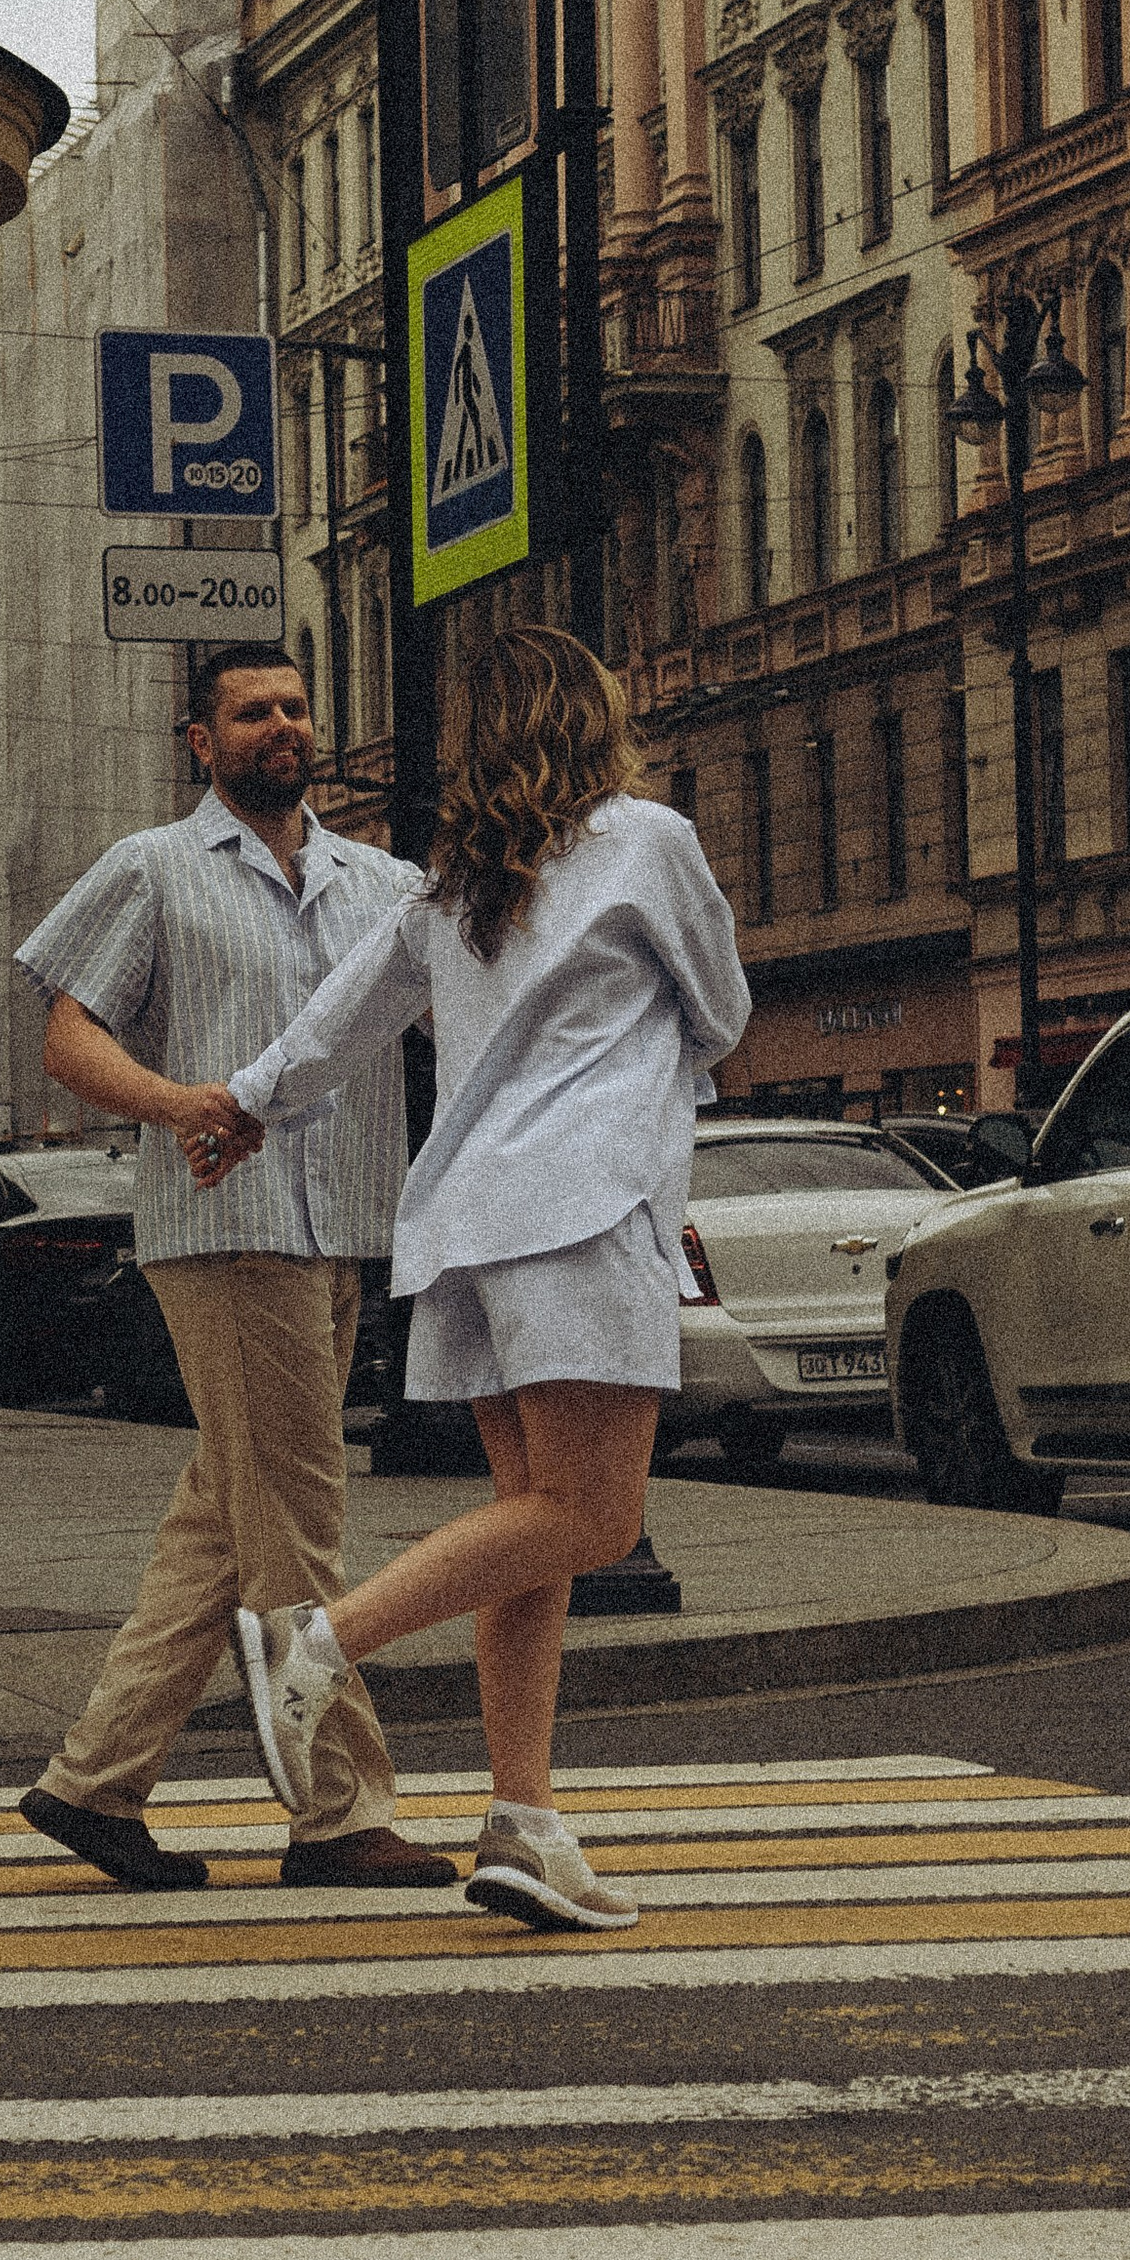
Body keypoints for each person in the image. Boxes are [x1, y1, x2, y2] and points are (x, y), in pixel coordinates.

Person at [195, 623, 751, 1932]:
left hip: (462, 1223)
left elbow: (331, 1030)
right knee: (595, 1521)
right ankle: (314, 1647)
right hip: (583, 1208)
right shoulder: (647, 842)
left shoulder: (446, 886)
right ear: (593, 716)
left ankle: (522, 1824)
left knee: (533, 1534)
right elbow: (723, 1013)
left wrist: (239, 1107)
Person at [10, 644, 451, 1893]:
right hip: (227, 1228)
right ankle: (340, 1813)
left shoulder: (382, 881)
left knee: (228, 1518)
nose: (282, 727)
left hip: (342, 1225)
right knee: (299, 1531)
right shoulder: (152, 870)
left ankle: (92, 1782)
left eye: (297, 707)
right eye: (252, 712)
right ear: (198, 741)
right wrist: (175, 1103)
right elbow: (67, 1035)